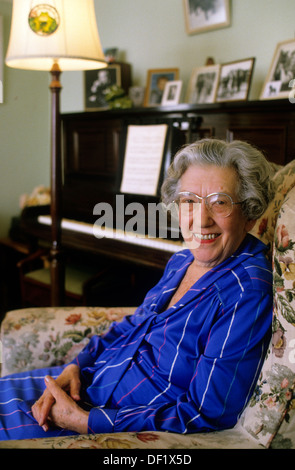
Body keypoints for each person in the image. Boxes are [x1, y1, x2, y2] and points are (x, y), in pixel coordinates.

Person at [0, 138, 274, 440]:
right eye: (189, 201)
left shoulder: (245, 291)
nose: (202, 220)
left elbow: (207, 411)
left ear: (249, 214)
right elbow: (134, 325)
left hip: (109, 416)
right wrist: (74, 367)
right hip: (90, 381)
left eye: (220, 202)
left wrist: (85, 421)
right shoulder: (182, 259)